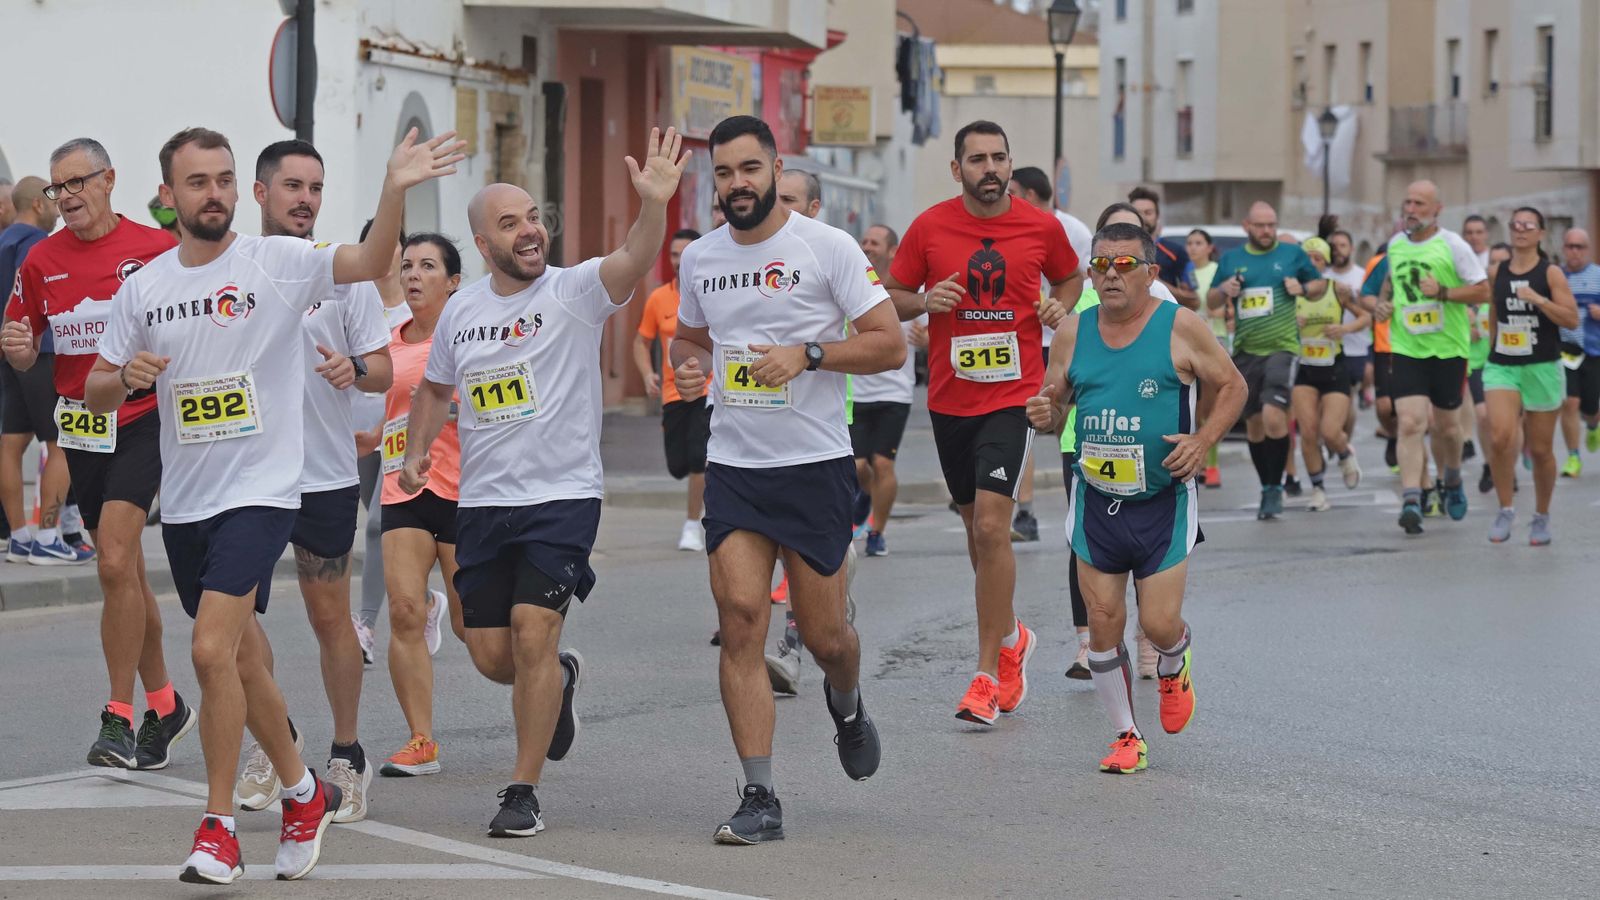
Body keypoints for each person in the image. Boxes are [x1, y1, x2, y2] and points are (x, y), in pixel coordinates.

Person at [84, 124, 463, 884]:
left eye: (224, 178)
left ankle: (218, 825)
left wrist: (394, 188)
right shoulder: (147, 287)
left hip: (265, 490)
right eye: (199, 182)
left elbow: (363, 260)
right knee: (244, 660)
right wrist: (125, 374)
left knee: (208, 650)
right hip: (188, 501)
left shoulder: (280, 263)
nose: (215, 192)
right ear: (170, 197)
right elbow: (92, 389)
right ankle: (302, 790)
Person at [398, 127, 686, 838]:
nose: (529, 231)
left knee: (531, 631)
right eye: (510, 223)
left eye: (533, 217)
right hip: (485, 503)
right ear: (482, 243)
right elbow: (435, 390)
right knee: (492, 652)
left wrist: (653, 206)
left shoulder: (574, 292)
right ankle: (560, 679)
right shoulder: (463, 312)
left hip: (562, 497)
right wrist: (414, 453)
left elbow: (633, 258)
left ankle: (522, 789)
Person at [669, 115, 897, 844]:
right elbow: (691, 337)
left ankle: (848, 700)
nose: (737, 185)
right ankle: (760, 795)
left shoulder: (824, 248)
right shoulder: (701, 257)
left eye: (749, 170)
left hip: (813, 468)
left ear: (774, 169)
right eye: (724, 174)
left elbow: (888, 342)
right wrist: (686, 364)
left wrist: (810, 354)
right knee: (741, 619)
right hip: (735, 466)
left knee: (828, 639)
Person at [1027, 221, 1246, 773]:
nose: (1110, 274)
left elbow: (1233, 385)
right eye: (1100, 264)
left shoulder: (1181, 326)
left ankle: (1174, 661)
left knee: (1157, 624)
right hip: (1097, 496)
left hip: (1162, 499)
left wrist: (1203, 440)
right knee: (1102, 618)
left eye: (1124, 264)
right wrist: (1046, 412)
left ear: (1151, 272)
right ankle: (1126, 734)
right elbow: (1057, 409)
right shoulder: (1075, 333)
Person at [883, 119, 1080, 726]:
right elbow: (890, 293)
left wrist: (1059, 304)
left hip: (1011, 396)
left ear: (1009, 163)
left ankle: (987, 674)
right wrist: (925, 301)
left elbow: (1072, 278)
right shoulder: (930, 227)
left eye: (999, 157)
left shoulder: (1040, 226)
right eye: (977, 159)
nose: (989, 168)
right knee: (977, 535)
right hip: (948, 398)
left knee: (994, 529)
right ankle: (1015, 636)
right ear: (957, 169)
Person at [2, 142, 185, 774]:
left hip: (144, 419)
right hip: (83, 427)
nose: (67, 196)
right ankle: (166, 701)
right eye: (56, 188)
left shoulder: (158, 250)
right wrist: (20, 348)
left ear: (109, 179)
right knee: (125, 572)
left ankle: (119, 716)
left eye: (78, 181)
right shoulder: (40, 258)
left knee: (111, 558)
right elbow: (24, 348)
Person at [229, 141, 394, 825]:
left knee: (331, 621)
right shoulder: (228, 270)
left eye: (316, 187)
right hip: (242, 475)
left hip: (323, 476)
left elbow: (384, 369)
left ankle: (346, 756)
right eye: (292, 185)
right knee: (232, 622)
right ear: (261, 193)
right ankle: (277, 736)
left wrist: (353, 369)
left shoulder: (343, 276)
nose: (305, 198)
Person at [375, 233, 465, 779]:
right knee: (403, 611)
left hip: (465, 491)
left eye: (428, 266)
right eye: (408, 265)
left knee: (472, 630)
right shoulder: (389, 343)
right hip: (402, 488)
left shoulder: (475, 339)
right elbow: (387, 412)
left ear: (453, 282)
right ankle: (421, 740)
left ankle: (553, 672)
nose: (413, 275)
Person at [1374, 181, 1489, 534]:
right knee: (1409, 422)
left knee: (1448, 427)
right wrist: (1381, 304)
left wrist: (1442, 292)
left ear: (1436, 209)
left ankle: (1452, 478)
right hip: (1408, 347)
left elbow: (1483, 290)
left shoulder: (1452, 245)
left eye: (1419, 203)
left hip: (1449, 349)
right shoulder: (1396, 244)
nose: (1411, 208)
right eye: (1407, 202)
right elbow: (1390, 286)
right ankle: (1411, 498)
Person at [1207, 202, 1326, 520]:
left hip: (1282, 348)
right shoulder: (1232, 259)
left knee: (1274, 416)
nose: (1267, 231)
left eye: (1271, 225)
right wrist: (1224, 289)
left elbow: (1318, 286)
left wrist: (1302, 287)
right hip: (1246, 351)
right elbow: (1211, 300)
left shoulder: (1291, 255)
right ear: (1247, 225)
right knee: (1255, 425)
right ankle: (1267, 487)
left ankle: (1276, 486)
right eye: (1261, 225)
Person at [1482, 207, 1578, 544]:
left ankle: (1541, 516)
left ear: (1540, 233)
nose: (1520, 230)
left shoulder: (1551, 274)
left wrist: (1539, 300)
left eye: (1528, 225)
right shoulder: (1498, 272)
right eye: (1515, 224)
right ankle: (1506, 508)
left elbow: (1571, 319)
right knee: (1499, 437)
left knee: (1540, 450)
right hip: (1503, 364)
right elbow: (1495, 310)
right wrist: (1492, 345)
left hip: (1541, 366)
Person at [1007, 166, 1091, 540]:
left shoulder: (1071, 229)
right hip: (1022, 342)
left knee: (1065, 425)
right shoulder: (1008, 226)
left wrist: (1060, 307)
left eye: (1012, 190)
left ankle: (1082, 495)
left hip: (1064, 339)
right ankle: (1026, 512)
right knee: (1025, 424)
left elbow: (1087, 279)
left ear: (1027, 193)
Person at [352, 218, 411, 664]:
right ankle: (426, 598)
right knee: (385, 532)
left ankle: (365, 626)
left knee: (377, 527)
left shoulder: (416, 310)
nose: (384, 252)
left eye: (391, 243)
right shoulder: (355, 302)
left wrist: (385, 430)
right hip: (356, 436)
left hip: (397, 435)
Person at [633, 228, 709, 551]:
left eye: (686, 254)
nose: (680, 261)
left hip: (706, 389)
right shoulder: (658, 298)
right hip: (672, 392)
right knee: (678, 464)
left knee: (697, 458)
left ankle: (692, 525)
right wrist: (648, 373)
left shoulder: (710, 292)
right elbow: (641, 341)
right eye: (675, 255)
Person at [850, 224, 919, 558]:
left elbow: (934, 337)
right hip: (857, 390)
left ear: (893, 251)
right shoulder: (850, 283)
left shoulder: (906, 292)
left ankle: (877, 531)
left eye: (874, 242)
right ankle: (865, 497)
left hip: (894, 392)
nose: (867, 247)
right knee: (858, 466)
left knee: (882, 464)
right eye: (863, 241)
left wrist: (926, 339)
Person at [1292, 237, 1367, 511]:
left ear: (1324, 265)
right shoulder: (1292, 292)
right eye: (1307, 258)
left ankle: (1345, 453)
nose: (1312, 263)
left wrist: (1344, 330)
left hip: (1335, 368)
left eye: (1318, 259)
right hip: (1305, 368)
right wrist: (1292, 324)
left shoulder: (1338, 290)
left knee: (1330, 431)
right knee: (1309, 432)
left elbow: (1365, 317)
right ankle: (1318, 490)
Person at [1183, 228, 1228, 486]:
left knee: (1211, 407)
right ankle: (1196, 462)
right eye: (1189, 243)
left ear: (1210, 247)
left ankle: (1212, 465)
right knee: (1194, 408)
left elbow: (1224, 307)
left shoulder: (1216, 271)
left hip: (1215, 342)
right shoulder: (1186, 272)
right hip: (1187, 345)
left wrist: (1220, 312)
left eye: (1199, 243)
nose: (1193, 247)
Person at [1557, 228, 1598, 477]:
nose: (1574, 251)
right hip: (1565, 350)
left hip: (1595, 349)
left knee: (1590, 407)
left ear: (1587, 250)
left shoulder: (1598, 276)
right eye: (1570, 246)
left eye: (1579, 247)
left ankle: (1593, 424)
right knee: (1570, 403)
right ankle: (1573, 457)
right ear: (1564, 249)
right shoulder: (1556, 277)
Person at [1477, 242, 1512, 492]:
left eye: (1502, 262)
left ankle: (1509, 464)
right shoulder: (1477, 290)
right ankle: (1490, 464)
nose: (1496, 267)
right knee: (1484, 416)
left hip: (1515, 362)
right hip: (1480, 363)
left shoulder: (1519, 289)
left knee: (1514, 425)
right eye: (1492, 261)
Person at [1128, 186, 1196, 309]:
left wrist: (1157, 283)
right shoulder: (1115, 251)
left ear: (1157, 216)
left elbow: (1194, 300)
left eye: (1148, 213)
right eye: (1137, 213)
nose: (1142, 218)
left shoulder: (1176, 252)